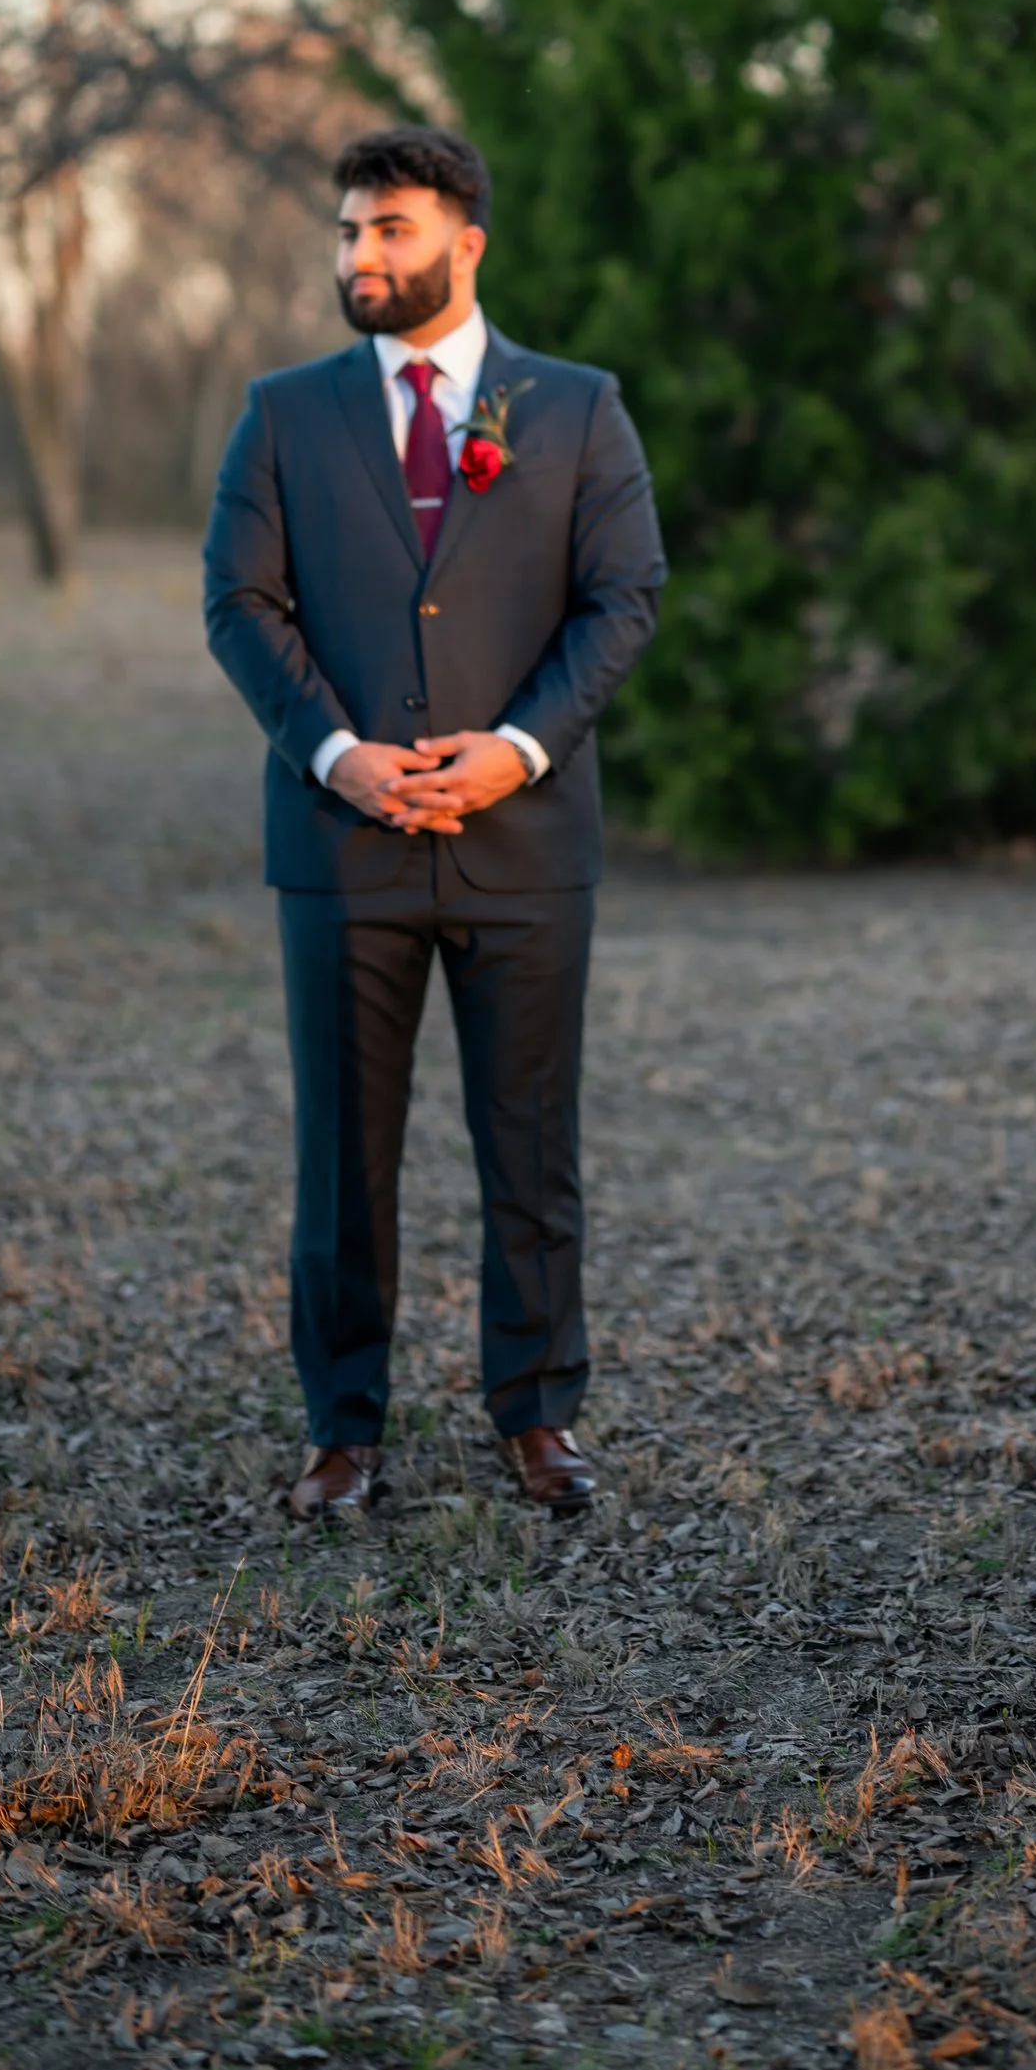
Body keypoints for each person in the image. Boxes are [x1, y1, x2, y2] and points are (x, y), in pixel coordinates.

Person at [204, 123, 664, 1523]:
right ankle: (344, 1427)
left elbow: (623, 596)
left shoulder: (575, 407)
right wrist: (335, 754)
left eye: (389, 228)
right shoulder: (284, 412)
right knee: (342, 1158)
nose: (361, 254)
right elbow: (240, 601)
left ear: (465, 241)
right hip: (343, 848)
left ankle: (539, 1415)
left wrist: (516, 747)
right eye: (349, 231)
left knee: (531, 1145)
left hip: (523, 846)